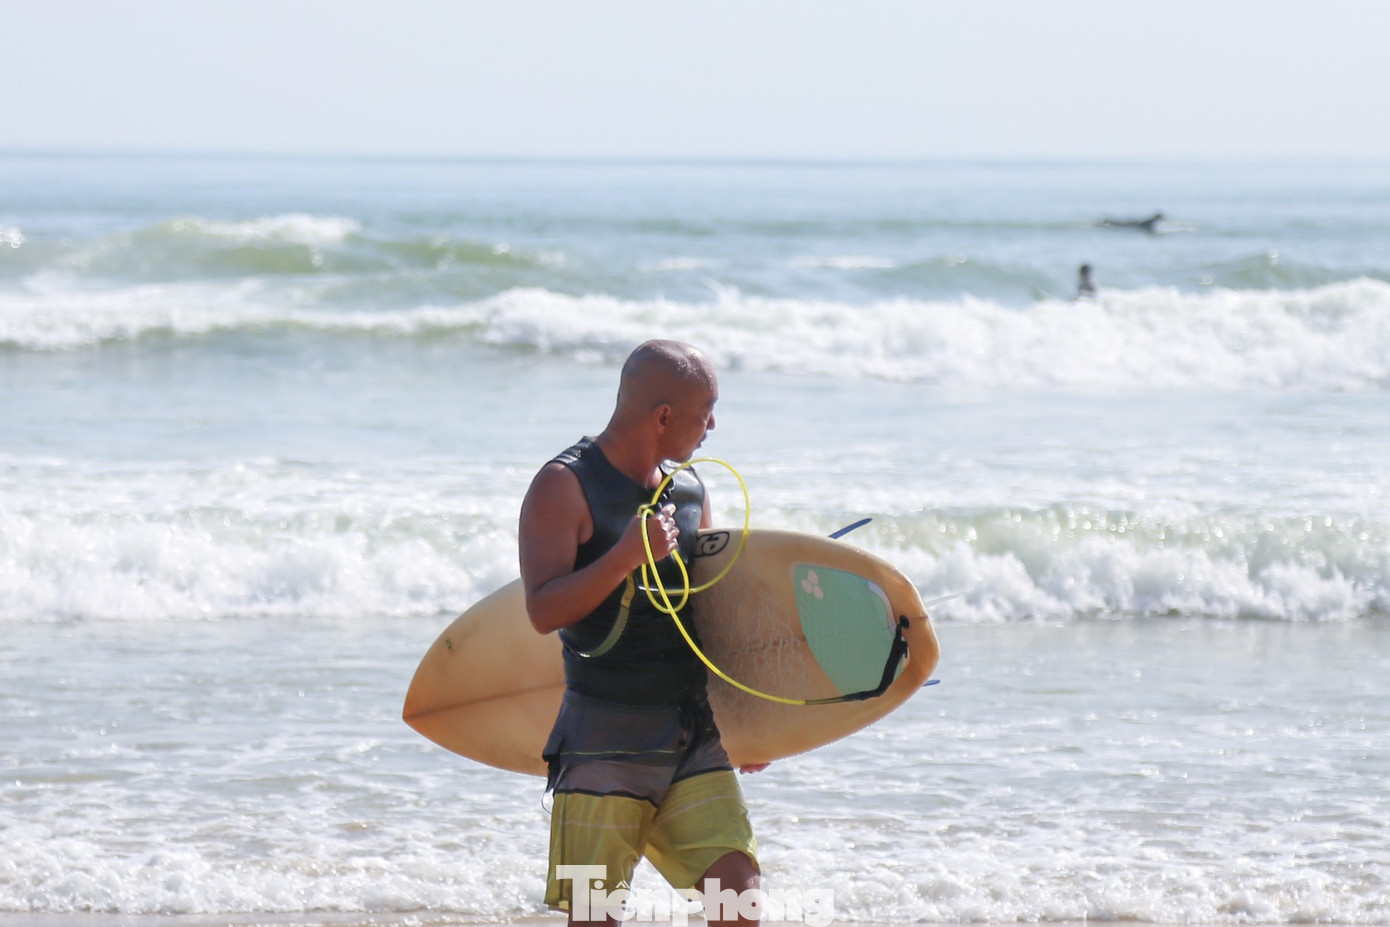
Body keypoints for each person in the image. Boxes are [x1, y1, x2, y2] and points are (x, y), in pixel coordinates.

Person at [518, 340, 762, 926]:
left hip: (690, 737)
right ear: (663, 416)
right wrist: (624, 558)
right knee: (595, 918)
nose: (711, 427)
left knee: (740, 906)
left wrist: (753, 726)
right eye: (705, 412)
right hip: (601, 745)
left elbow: (707, 617)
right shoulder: (563, 485)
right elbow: (543, 610)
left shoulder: (690, 491)